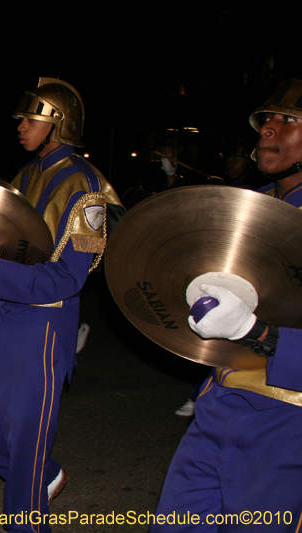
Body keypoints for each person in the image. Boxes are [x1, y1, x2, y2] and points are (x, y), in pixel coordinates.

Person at [0, 78, 122, 531]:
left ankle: (26, 514)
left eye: (31, 119)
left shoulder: (85, 183)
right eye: (21, 119)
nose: (20, 126)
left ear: (58, 124)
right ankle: (40, 476)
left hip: (44, 320)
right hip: (6, 309)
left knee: (25, 438)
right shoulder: (25, 174)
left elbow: (69, 278)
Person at [152, 79, 302, 533]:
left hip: (285, 419)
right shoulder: (261, 205)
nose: (269, 130)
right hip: (219, 399)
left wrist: (259, 333)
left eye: (289, 120)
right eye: (268, 120)